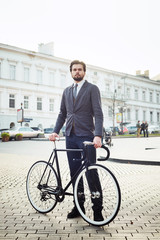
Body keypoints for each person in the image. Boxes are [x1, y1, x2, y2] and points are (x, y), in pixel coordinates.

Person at [49, 60, 104, 221]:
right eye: (74, 70)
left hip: (87, 136)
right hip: (70, 137)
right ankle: (79, 206)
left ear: (84, 72)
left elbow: (98, 113)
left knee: (91, 173)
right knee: (74, 173)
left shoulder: (92, 89)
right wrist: (55, 131)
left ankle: (97, 210)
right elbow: (62, 114)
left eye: (80, 69)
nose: (77, 72)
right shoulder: (67, 91)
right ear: (71, 72)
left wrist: (98, 135)